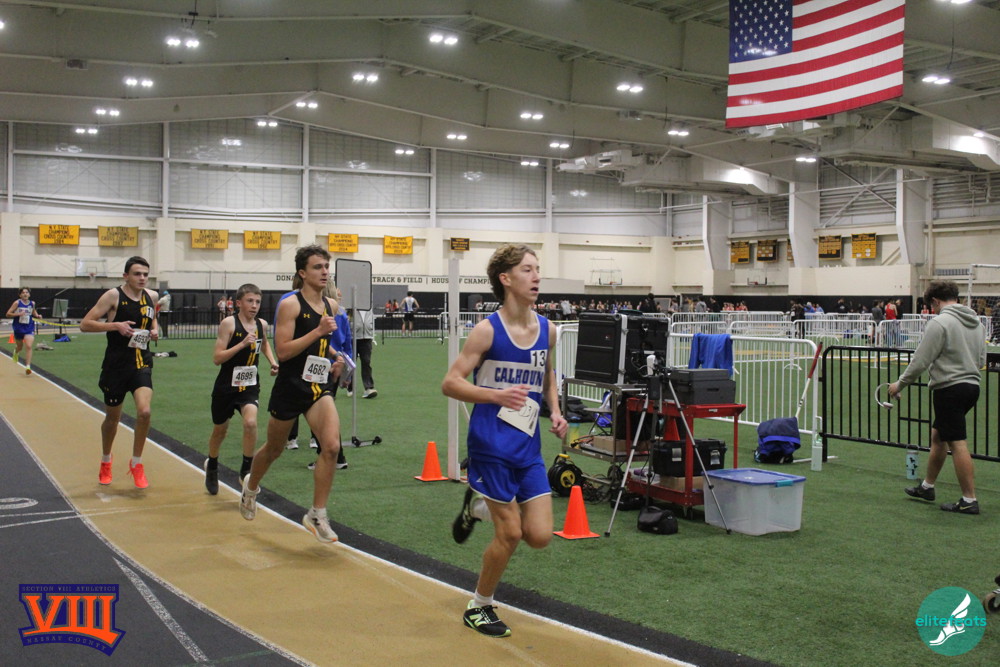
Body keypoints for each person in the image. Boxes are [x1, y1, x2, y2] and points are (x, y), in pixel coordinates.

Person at [442, 244, 568, 638]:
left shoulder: (548, 330)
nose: (536, 276)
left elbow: (547, 375)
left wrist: (556, 410)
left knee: (540, 536)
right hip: (490, 444)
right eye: (527, 269)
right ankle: (479, 605)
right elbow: (451, 383)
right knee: (511, 533)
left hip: (528, 447)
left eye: (537, 269)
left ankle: (478, 506)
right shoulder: (487, 331)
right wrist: (495, 396)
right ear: (506, 278)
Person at [240, 245, 346, 543]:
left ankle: (317, 513)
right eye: (317, 267)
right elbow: (284, 351)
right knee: (274, 449)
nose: (324, 272)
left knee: (331, 447)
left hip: (318, 386)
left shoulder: (331, 305)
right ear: (302, 272)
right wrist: (318, 331)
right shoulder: (290, 304)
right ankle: (250, 487)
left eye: (326, 266)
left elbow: (321, 344)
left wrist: (336, 356)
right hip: (290, 386)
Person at [889, 280, 987, 515]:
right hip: (972, 387)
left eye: (930, 306)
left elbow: (921, 360)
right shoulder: (977, 323)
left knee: (957, 442)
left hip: (949, 388)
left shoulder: (940, 323)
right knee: (939, 436)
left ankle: (969, 499)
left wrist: (900, 384)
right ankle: (927, 486)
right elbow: (982, 360)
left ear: (934, 301)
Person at [80, 256, 159, 489]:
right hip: (115, 366)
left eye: (145, 274)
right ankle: (106, 460)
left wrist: (155, 330)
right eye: (137, 274)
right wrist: (115, 325)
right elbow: (85, 324)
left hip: (141, 363)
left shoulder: (152, 296)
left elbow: (153, 320)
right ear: (126, 276)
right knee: (112, 418)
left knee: (144, 412)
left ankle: (137, 463)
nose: (142, 278)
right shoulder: (113, 296)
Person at [204, 283, 278, 495]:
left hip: (249, 384)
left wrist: (273, 362)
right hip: (226, 386)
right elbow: (217, 358)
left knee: (251, 422)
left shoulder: (262, 324)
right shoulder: (229, 324)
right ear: (238, 303)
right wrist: (242, 344)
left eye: (258, 302)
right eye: (250, 301)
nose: (254, 305)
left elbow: (264, 343)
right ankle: (212, 465)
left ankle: (246, 468)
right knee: (220, 431)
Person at [6, 287, 40, 375]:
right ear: (20, 295)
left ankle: (28, 366)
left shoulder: (32, 303)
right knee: (20, 346)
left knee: (28, 346)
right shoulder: (17, 303)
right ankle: (16, 352)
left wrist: (37, 316)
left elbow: (33, 312)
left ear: (29, 294)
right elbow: (8, 314)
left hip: (29, 327)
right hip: (18, 328)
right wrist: (18, 314)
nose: (25, 294)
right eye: (23, 292)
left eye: (27, 292)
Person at [353, 306, 378, 398]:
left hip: (367, 337)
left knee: (366, 362)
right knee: (351, 363)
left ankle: (368, 387)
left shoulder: (368, 306)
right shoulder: (351, 305)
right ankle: (350, 386)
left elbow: (371, 319)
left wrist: (372, 335)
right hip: (353, 337)